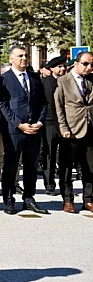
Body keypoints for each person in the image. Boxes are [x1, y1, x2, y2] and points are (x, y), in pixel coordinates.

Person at [0, 46, 49, 215]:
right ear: (11, 59)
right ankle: (9, 199)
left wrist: (40, 121)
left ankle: (29, 198)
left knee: (31, 166)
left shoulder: (34, 77)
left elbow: (43, 102)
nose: (24, 58)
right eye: (20, 56)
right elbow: (2, 105)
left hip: (34, 129)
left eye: (26, 55)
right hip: (15, 130)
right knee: (11, 165)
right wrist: (18, 124)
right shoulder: (3, 79)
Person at [54, 50, 93, 213]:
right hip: (71, 130)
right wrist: (63, 127)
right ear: (76, 63)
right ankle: (68, 199)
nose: (89, 67)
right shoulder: (63, 81)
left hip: (90, 129)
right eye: (85, 64)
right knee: (66, 167)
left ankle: (89, 199)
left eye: (91, 64)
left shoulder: (91, 81)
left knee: (90, 167)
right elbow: (59, 106)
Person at [40, 56, 66, 196]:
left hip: (66, 123)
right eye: (59, 67)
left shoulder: (68, 81)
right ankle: (49, 184)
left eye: (64, 66)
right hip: (49, 122)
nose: (62, 69)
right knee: (49, 154)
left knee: (65, 155)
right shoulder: (45, 82)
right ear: (52, 68)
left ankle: (65, 183)